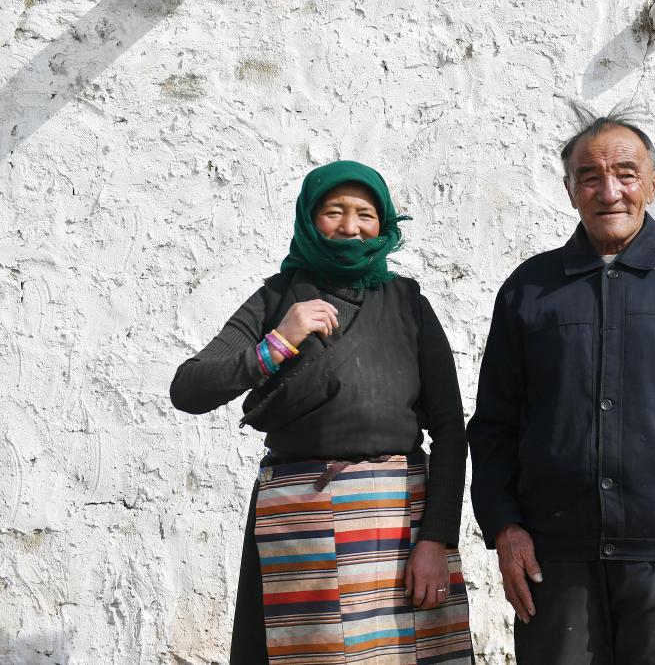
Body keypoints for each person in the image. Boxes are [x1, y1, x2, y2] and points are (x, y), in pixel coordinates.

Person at [467, 109, 655, 665]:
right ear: (570, 190)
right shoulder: (529, 290)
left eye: (626, 175)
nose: (609, 192)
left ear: (653, 184)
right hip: (554, 558)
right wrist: (505, 528)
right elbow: (493, 425)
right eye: (590, 177)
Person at [170, 161, 473, 664]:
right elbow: (189, 389)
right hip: (299, 523)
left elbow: (449, 430)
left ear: (384, 223)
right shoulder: (274, 299)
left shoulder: (408, 304)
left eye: (365, 214)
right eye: (334, 211)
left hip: (399, 524)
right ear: (310, 219)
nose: (351, 227)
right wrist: (277, 343)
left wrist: (436, 540)